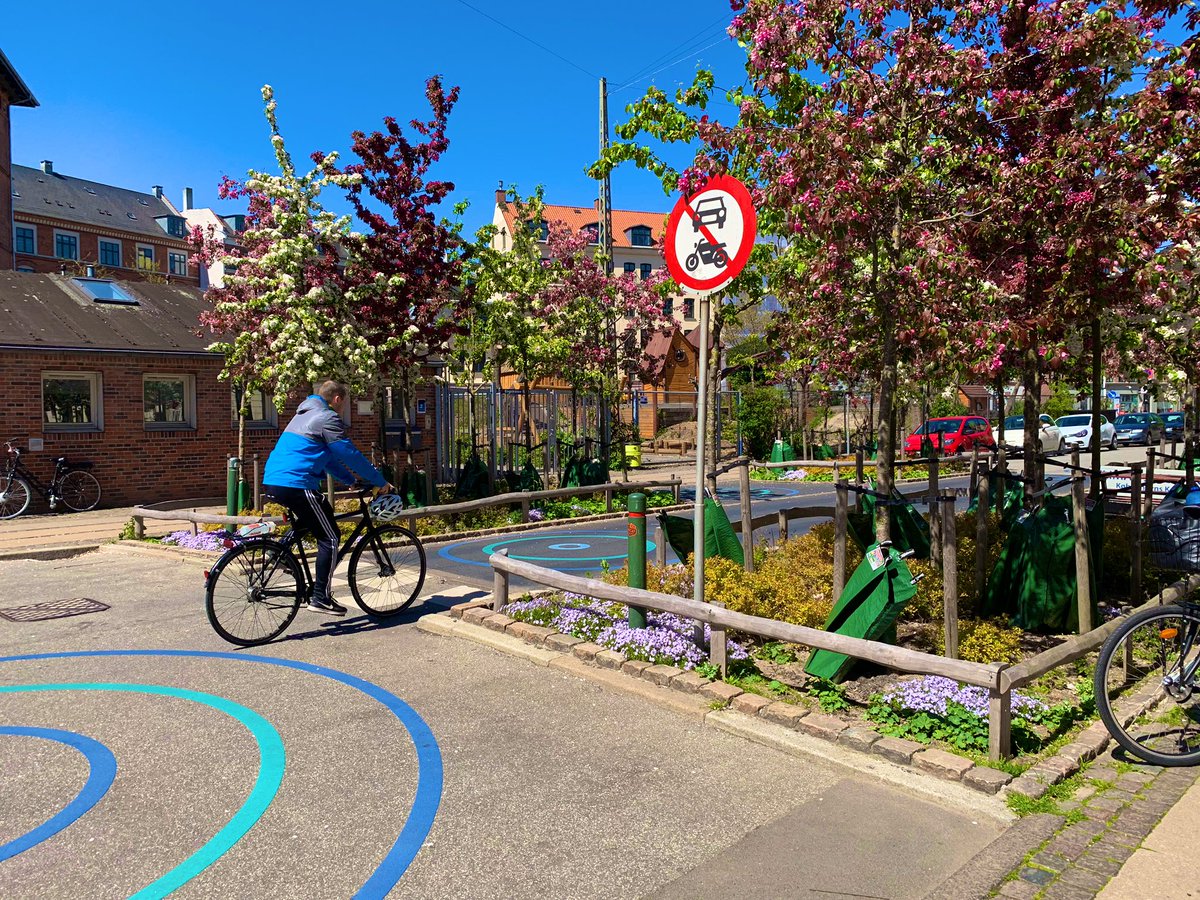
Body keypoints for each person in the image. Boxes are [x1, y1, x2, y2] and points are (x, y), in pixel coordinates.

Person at [262, 380, 391, 616]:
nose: (343, 409)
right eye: (344, 404)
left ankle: (279, 553)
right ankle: (320, 597)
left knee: (318, 514)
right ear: (338, 399)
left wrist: (350, 481)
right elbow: (349, 453)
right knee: (331, 537)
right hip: (297, 483)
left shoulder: (302, 415)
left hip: (275, 480)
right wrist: (379, 482)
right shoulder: (327, 418)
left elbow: (329, 458)